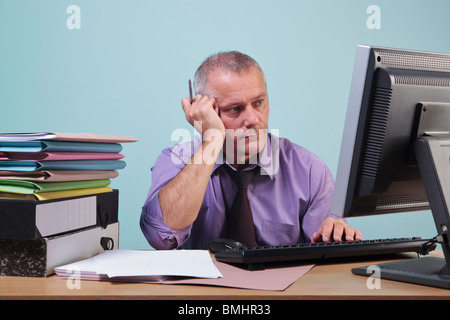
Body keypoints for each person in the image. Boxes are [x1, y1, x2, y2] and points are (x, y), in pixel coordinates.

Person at [140, 51, 362, 250]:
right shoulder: (176, 161)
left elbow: (326, 254)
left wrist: (335, 234)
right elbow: (160, 238)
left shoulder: (310, 172)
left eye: (258, 103)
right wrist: (212, 139)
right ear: (205, 111)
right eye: (235, 109)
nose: (253, 119)